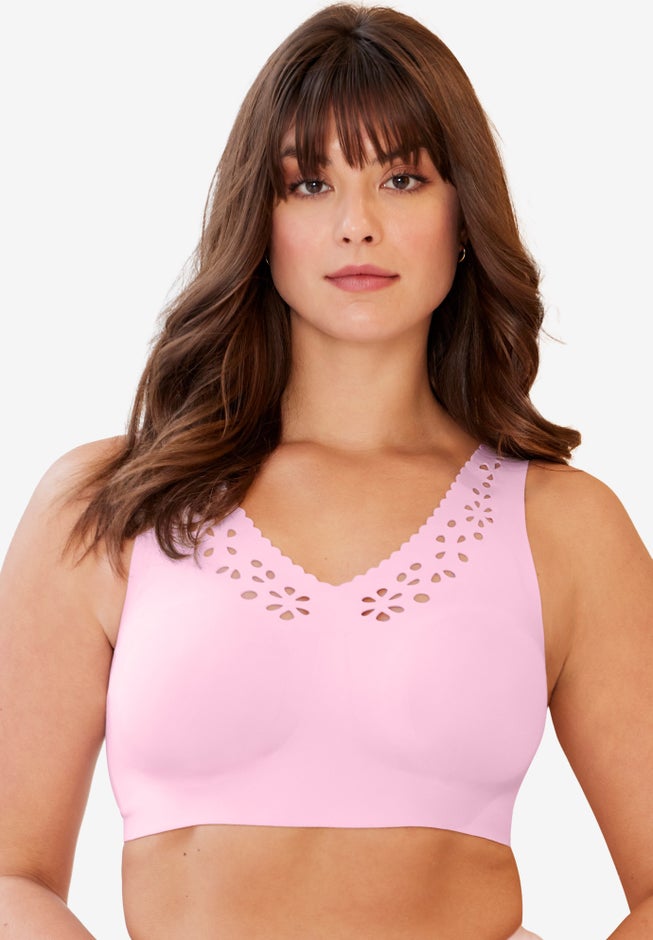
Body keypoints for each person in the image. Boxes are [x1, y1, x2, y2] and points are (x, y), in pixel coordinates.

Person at [0, 4, 651, 938]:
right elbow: (9, 876)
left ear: (463, 214)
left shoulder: (563, 525)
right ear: (258, 221)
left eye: (401, 178)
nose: (357, 225)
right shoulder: (108, 506)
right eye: (309, 184)